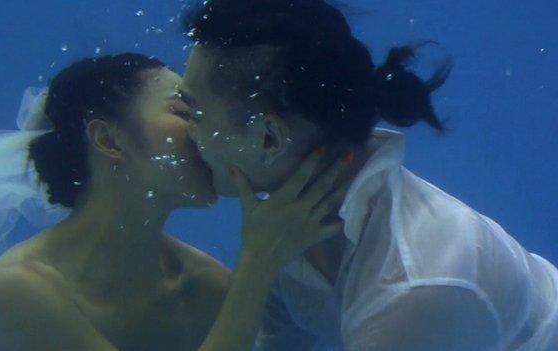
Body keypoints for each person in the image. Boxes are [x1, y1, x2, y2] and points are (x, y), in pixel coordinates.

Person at [179, 0, 558, 350]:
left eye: (194, 114)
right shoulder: (285, 228)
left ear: (269, 137)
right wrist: (257, 262)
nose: (184, 132)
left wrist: (256, 264)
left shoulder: (412, 284)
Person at [0, 53, 350, 350]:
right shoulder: (22, 290)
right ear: (108, 140)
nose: (208, 131)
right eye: (184, 110)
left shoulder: (209, 286)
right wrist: (259, 263)